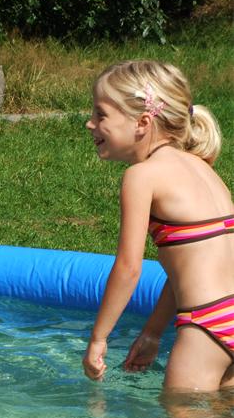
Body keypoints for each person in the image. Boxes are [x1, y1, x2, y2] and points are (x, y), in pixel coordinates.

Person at [82, 60, 234, 394]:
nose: (90, 123)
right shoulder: (204, 169)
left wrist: (98, 337)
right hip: (227, 312)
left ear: (143, 122)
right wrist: (152, 332)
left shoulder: (141, 177)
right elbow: (186, 269)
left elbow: (129, 268)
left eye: (101, 114)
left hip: (206, 325)